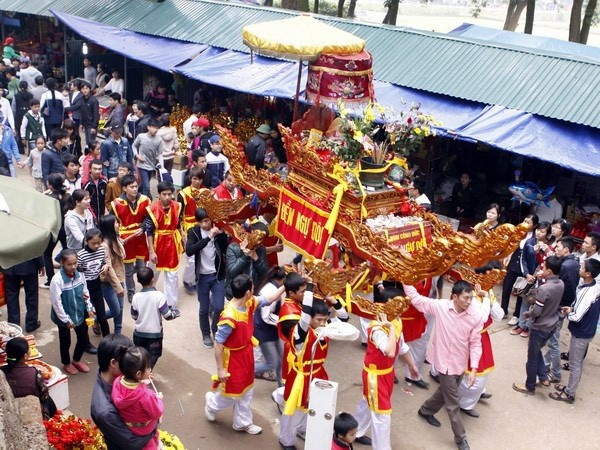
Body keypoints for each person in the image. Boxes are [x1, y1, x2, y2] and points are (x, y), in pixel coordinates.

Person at [403, 280, 483, 450]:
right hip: (444, 364)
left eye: (471, 298)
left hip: (460, 363)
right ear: (455, 297)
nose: (469, 302)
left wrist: (474, 368)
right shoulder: (441, 307)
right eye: (466, 298)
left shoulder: (475, 315)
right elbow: (416, 299)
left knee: (444, 391)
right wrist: (406, 279)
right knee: (453, 403)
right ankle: (461, 438)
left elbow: (476, 343)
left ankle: (425, 410)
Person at [204, 274, 285, 435]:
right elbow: (218, 344)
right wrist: (220, 369)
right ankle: (211, 404)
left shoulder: (249, 302)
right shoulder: (229, 316)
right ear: (247, 292)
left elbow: (268, 299)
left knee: (247, 390)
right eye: (253, 288)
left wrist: (285, 286)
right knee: (232, 394)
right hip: (232, 359)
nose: (255, 290)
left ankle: (242, 423)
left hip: (246, 353)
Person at [354, 301, 419, 449]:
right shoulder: (377, 329)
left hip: (387, 372)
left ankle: (355, 431)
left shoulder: (396, 321)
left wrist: (412, 365)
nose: (401, 311)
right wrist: (389, 328)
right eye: (397, 308)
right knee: (382, 414)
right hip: (375, 376)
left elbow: (401, 346)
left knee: (368, 402)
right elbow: (389, 351)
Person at [457, 263, 505, 418]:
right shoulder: (468, 292)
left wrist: (489, 299)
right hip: (469, 337)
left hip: (482, 337)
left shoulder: (487, 290)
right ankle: (462, 401)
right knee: (470, 372)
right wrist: (485, 298)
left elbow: (499, 315)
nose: (496, 279)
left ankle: (473, 394)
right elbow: (482, 317)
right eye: (493, 275)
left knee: (480, 371)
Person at [91, 333, 154, 450]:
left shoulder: (113, 379)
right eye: (128, 362)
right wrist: (155, 424)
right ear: (113, 363)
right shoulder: (105, 411)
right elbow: (132, 443)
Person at [549, 259, 600, 404]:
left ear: (588, 273)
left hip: (581, 332)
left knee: (575, 364)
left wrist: (567, 313)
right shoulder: (593, 286)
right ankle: (569, 388)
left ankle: (569, 393)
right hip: (586, 330)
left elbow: (577, 317)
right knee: (577, 363)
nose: (580, 268)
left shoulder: (588, 291)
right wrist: (572, 309)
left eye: (583, 267)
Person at [513, 256, 564, 395]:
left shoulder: (544, 288)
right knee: (537, 351)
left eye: (544, 267)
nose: (542, 268)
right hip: (551, 325)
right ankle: (543, 377)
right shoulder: (560, 284)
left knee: (532, 357)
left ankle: (529, 386)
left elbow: (537, 311)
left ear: (549, 271)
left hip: (540, 326)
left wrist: (528, 314)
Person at [185, 208, 229, 348]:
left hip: (217, 276)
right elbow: (190, 250)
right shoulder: (194, 232)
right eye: (201, 222)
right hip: (202, 277)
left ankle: (216, 330)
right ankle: (205, 333)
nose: (204, 224)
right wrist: (209, 237)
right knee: (204, 309)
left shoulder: (218, 231)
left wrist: (223, 235)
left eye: (206, 220)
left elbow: (225, 249)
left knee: (219, 307)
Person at [50, 248, 96, 375]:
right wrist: (66, 319)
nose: (73, 266)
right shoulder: (57, 280)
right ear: (62, 263)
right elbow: (56, 303)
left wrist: (89, 307)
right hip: (64, 315)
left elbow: (85, 291)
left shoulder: (80, 274)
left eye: (75, 263)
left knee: (83, 338)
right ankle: (66, 363)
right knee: (65, 341)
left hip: (80, 312)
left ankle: (76, 360)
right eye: (69, 264)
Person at [111, 346, 164, 450]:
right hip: (144, 428)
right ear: (138, 374)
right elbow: (157, 413)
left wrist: (141, 383)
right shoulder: (146, 396)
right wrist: (159, 399)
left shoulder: (118, 381)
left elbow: (130, 390)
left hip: (127, 425)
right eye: (148, 368)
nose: (150, 369)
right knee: (151, 441)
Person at [543, 237, 580, 384]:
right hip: (559, 307)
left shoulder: (567, 267)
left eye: (557, 246)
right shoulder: (569, 263)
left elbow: (568, 291)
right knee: (552, 338)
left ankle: (556, 373)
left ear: (566, 249)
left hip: (558, 308)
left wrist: (559, 307)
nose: (555, 248)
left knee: (553, 341)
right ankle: (545, 365)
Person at [143, 181, 183, 311]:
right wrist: (151, 251)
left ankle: (170, 304)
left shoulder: (177, 206)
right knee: (152, 275)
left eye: (169, 194)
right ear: (158, 195)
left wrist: (183, 238)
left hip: (172, 243)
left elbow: (178, 224)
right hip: (156, 243)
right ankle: (148, 301)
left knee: (172, 276)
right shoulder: (152, 209)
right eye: (164, 194)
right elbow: (148, 230)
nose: (167, 197)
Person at [111, 174, 151, 303]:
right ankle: (131, 292)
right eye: (132, 187)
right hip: (126, 239)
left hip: (140, 238)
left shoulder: (145, 200)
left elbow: (149, 218)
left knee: (142, 267)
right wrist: (117, 239)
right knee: (128, 270)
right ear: (124, 188)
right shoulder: (116, 204)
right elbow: (112, 224)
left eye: (136, 186)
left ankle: (144, 289)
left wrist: (143, 227)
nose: (135, 189)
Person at [510, 220, 553, 338]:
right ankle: (521, 324)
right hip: (528, 277)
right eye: (538, 230)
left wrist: (543, 251)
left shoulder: (548, 247)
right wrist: (527, 274)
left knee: (534, 304)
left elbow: (548, 263)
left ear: (547, 234)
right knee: (524, 301)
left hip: (540, 279)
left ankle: (528, 327)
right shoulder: (530, 242)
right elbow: (523, 259)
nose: (539, 233)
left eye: (542, 231)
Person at [131, 267, 180, 368]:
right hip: (155, 336)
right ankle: (147, 371)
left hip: (139, 334)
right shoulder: (159, 296)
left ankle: (140, 373)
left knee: (140, 356)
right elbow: (167, 315)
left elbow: (134, 315)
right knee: (153, 355)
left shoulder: (135, 297)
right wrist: (175, 313)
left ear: (138, 281)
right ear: (152, 280)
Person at [1, 337, 57, 419]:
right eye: (29, 350)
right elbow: (44, 397)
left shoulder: (1, 372)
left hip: (9, 409)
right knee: (48, 400)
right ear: (25, 356)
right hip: (31, 411)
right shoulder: (35, 374)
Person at [501, 214, 539, 323]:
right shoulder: (518, 233)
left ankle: (516, 315)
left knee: (520, 291)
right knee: (507, 287)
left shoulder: (534, 240)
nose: (525, 224)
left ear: (534, 225)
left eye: (528, 222)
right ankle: (503, 309)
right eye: (524, 221)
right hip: (513, 264)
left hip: (525, 268)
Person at [254, 266, 286, 385]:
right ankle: (245, 371)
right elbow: (266, 316)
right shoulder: (270, 290)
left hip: (273, 329)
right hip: (264, 331)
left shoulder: (274, 287)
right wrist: (282, 321)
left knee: (282, 360)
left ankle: (281, 386)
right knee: (272, 363)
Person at [78, 229, 111, 337]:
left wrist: (105, 266)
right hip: (84, 288)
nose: (96, 246)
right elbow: (77, 272)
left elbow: (103, 262)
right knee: (86, 317)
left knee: (102, 317)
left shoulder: (101, 251)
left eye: (98, 242)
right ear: (87, 242)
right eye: (93, 243)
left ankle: (108, 341)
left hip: (97, 286)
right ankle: (85, 342)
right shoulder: (81, 255)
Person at [178, 172, 207, 293]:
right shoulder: (183, 193)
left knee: (203, 255)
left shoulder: (205, 192)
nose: (197, 181)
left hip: (203, 225)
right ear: (190, 178)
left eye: (200, 179)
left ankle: (195, 279)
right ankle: (187, 280)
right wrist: (181, 231)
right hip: (189, 227)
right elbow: (179, 215)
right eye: (195, 178)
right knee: (191, 258)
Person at [224, 222, 269, 300]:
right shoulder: (233, 248)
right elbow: (231, 272)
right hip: (235, 293)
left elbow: (265, 274)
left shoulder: (261, 249)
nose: (259, 243)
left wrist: (256, 259)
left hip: (253, 293)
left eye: (262, 240)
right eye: (258, 238)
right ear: (250, 233)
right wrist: (245, 256)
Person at [99, 215, 126, 335]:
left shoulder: (115, 239)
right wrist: (118, 287)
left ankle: (118, 333)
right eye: (116, 223)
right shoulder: (104, 245)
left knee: (120, 309)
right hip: (109, 282)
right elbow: (108, 268)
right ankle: (95, 319)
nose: (118, 225)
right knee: (115, 310)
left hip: (120, 278)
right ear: (110, 226)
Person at [42, 173, 69, 288]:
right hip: (66, 228)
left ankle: (50, 280)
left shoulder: (49, 198)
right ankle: (68, 275)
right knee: (67, 252)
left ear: (50, 185)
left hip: (55, 229)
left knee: (47, 254)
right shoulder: (67, 196)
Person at [3, 257, 44, 332]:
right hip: (29, 265)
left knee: (11, 296)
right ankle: (31, 323)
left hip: (9, 266)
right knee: (32, 295)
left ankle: (13, 324)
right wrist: (41, 264)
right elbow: (36, 247)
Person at [133, 118, 165, 198]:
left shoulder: (159, 140)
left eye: (157, 128)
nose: (155, 130)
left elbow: (160, 153)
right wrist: (137, 155)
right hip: (141, 165)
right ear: (148, 127)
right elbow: (134, 146)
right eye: (153, 127)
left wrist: (162, 166)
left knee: (143, 184)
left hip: (151, 166)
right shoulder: (141, 136)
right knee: (147, 186)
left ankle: (139, 197)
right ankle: (147, 200)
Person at [12, 80, 32, 149]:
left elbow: (13, 108)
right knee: (29, 131)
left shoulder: (16, 96)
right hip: (29, 115)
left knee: (19, 131)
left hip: (19, 116)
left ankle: (21, 149)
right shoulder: (31, 95)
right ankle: (29, 148)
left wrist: (14, 117)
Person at [79, 81, 100, 146]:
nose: (85, 90)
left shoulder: (93, 100)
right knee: (87, 142)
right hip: (85, 124)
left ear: (89, 89)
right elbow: (81, 112)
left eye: (86, 88)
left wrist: (94, 127)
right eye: (83, 89)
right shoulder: (82, 99)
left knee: (92, 143)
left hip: (91, 125)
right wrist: (81, 123)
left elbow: (96, 114)